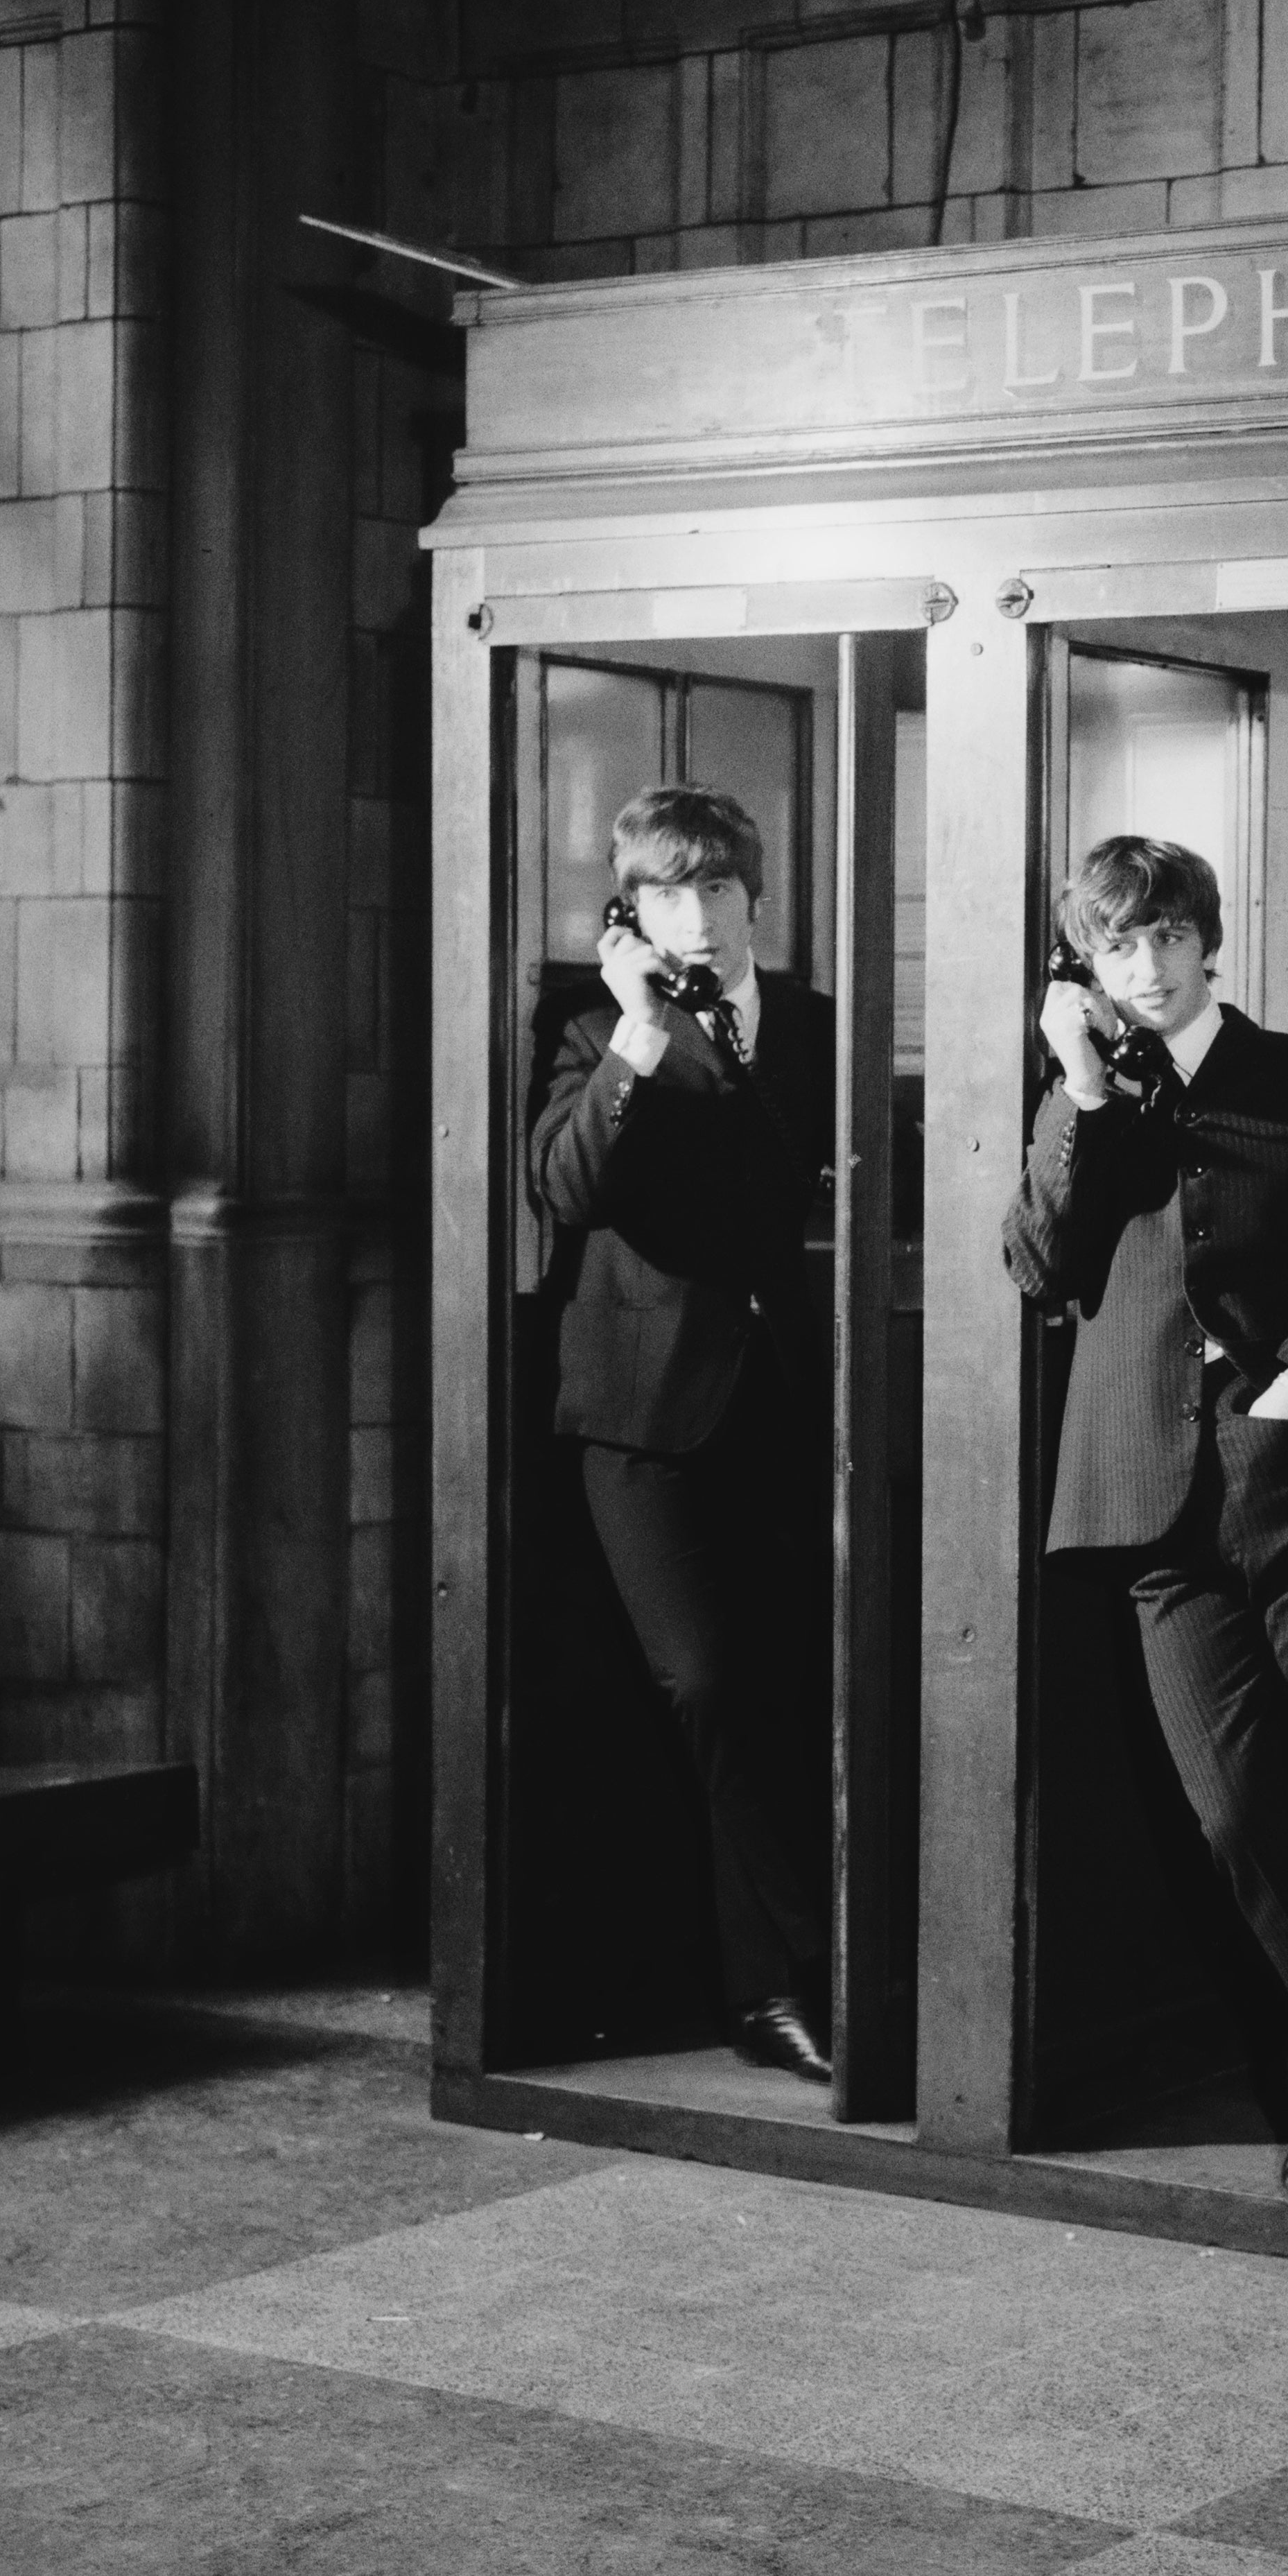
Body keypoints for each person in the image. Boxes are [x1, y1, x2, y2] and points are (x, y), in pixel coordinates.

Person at [1003, 836, 1288, 2221]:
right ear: (1092, 960)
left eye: (1167, 935)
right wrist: (1077, 1084)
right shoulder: (1088, 1099)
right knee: (1237, 1811)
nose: (1145, 963)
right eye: (1117, 943)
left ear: (1205, 937)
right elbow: (1038, 1262)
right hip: (1149, 1507)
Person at [530, 783, 839, 2082]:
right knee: (705, 1682)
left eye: (715, 890)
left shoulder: (820, 1028)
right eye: (666, 894)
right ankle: (829, 1963)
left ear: (755, 901)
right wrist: (639, 1040)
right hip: (643, 1415)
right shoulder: (598, 1027)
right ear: (630, 911)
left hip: (790, 1400)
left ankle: (765, 2000)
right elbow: (565, 1186)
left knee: (780, 1690)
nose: (696, 916)